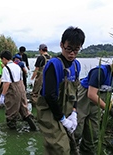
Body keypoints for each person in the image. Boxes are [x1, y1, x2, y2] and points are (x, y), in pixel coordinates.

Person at [36, 26, 85, 155]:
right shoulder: (54, 64)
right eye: (68, 49)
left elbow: (75, 91)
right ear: (61, 45)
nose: (72, 53)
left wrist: (74, 112)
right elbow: (49, 95)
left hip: (67, 111)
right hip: (50, 111)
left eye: (76, 50)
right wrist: (62, 119)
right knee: (59, 148)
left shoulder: (76, 65)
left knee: (71, 144)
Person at [73, 63, 113, 155]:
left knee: (93, 133)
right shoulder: (100, 72)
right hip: (84, 99)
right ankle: (71, 151)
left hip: (99, 103)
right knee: (77, 130)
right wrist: (110, 110)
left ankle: (86, 151)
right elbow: (91, 95)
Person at [0, 50, 36, 130]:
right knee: (24, 109)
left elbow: (7, 83)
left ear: (4, 58)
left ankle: (12, 134)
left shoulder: (6, 68)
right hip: (21, 89)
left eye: (2, 60)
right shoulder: (17, 66)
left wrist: (2, 96)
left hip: (13, 90)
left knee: (11, 111)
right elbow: (21, 79)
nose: (2, 61)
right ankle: (33, 128)